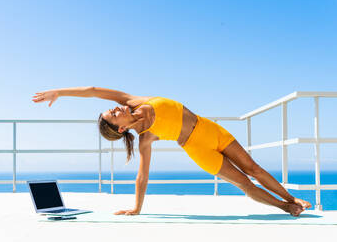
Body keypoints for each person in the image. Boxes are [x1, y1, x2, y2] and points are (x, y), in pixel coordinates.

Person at [32, 86, 312, 217]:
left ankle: (292, 197)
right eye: (113, 114)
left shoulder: (132, 100)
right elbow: (142, 176)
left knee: (254, 168)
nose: (116, 108)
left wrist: (59, 92)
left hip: (211, 130)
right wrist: (136, 208)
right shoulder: (144, 138)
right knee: (244, 182)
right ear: (119, 129)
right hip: (197, 148)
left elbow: (93, 90)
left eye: (112, 108)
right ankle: (286, 207)